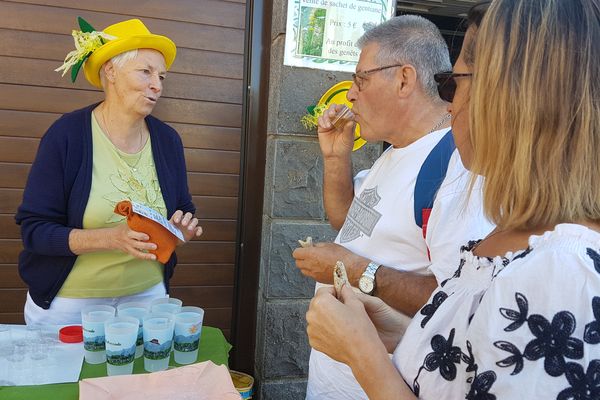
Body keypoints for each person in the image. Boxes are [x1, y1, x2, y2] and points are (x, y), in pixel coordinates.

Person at [306, 0, 600, 398]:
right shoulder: (518, 235)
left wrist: (362, 352)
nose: (451, 104)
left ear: (509, 98)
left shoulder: (564, 272)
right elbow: (472, 354)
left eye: (453, 82)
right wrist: (397, 332)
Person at [293, 15, 493, 399]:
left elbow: (460, 300)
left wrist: (352, 269)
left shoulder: (455, 167)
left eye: (360, 79)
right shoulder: (392, 154)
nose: (350, 94)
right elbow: (348, 222)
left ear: (404, 78)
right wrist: (335, 159)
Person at [15, 18, 202, 325]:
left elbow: (183, 209)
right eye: (146, 72)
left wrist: (180, 230)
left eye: (162, 77)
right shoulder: (67, 135)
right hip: (70, 307)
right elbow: (34, 230)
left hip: (148, 300)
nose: (158, 85)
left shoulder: (168, 141)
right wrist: (111, 238)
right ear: (111, 71)